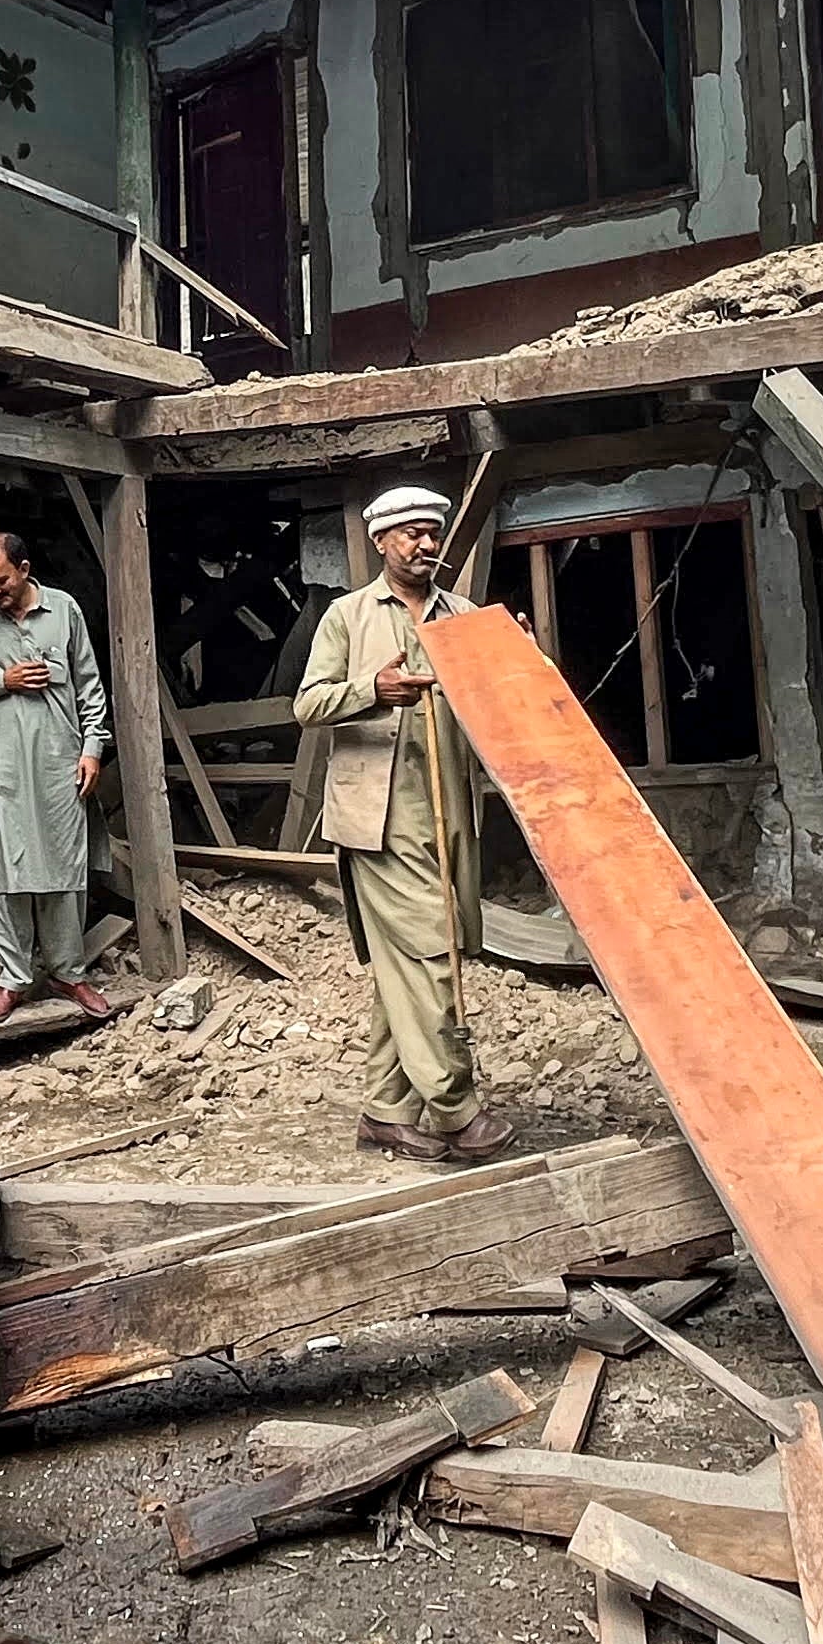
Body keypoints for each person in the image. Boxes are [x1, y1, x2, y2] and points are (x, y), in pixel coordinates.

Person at [295, 485, 516, 1160]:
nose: (425, 545)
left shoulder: (465, 615)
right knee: (429, 955)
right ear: (381, 541)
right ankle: (454, 1107)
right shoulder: (347, 615)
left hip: (449, 807)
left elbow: (503, 703)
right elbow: (306, 704)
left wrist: (517, 658)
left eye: (432, 532)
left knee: (410, 960)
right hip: (379, 818)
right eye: (411, 534)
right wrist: (373, 691)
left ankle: (384, 1111)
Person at [0, 531, 118, 1024]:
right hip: (1, 770)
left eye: (0, 581)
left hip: (61, 763)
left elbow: (89, 684)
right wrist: (2, 681)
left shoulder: (64, 610)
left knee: (65, 870)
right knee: (7, 875)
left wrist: (92, 748)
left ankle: (68, 971)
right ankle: (13, 978)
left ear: (23, 568)